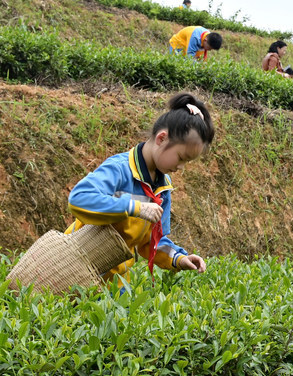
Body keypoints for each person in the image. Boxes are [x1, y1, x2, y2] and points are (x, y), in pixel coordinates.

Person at [65, 93, 213, 285]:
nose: (181, 167)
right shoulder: (119, 169)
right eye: (181, 158)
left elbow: (153, 240)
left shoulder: (162, 189)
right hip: (73, 266)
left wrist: (178, 258)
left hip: (115, 281)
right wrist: (135, 208)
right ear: (162, 139)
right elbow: (79, 198)